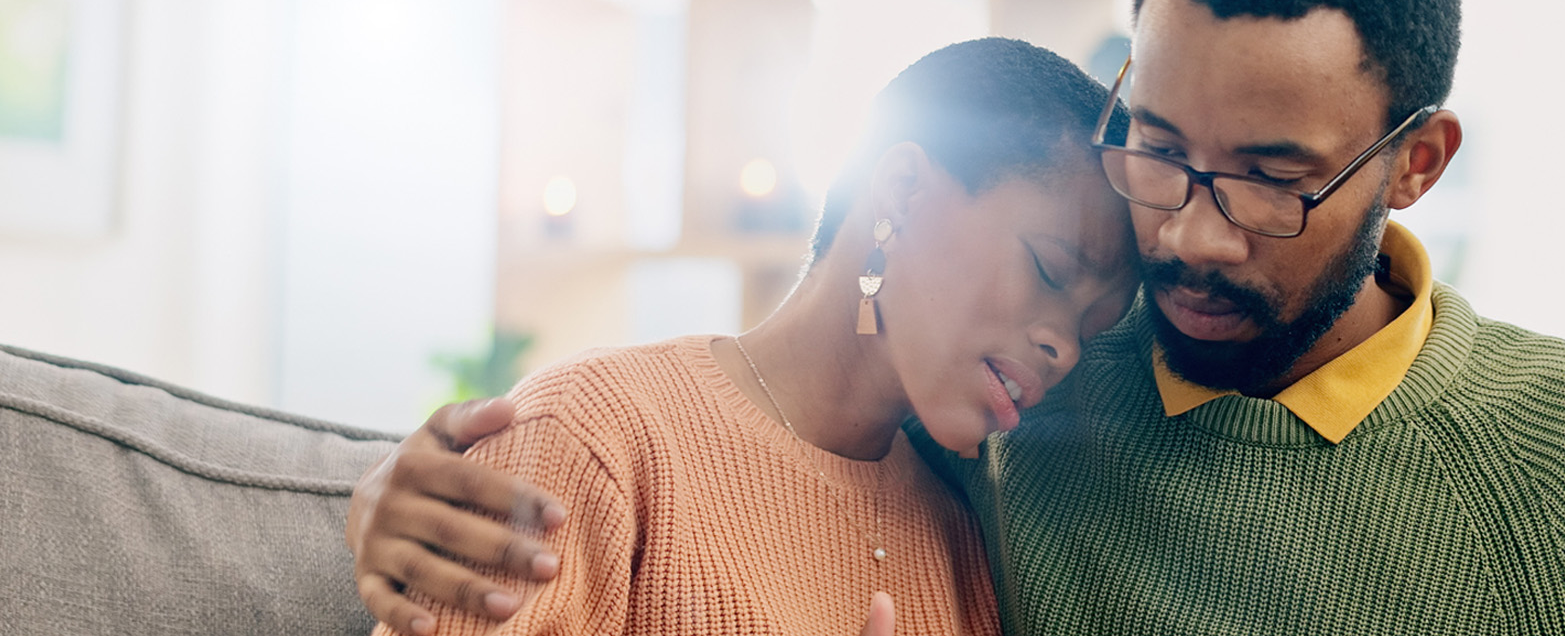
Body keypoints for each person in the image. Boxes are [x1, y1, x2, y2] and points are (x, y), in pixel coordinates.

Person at [349, 0, 1565, 634]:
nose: (1188, 233)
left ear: (1415, 164)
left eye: (1272, 181)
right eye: (1157, 149)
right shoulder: (1038, 412)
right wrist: (385, 508)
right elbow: (740, 444)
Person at [348, 37, 1137, 636]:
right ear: (900, 191)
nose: (1064, 346)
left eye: (1091, 326)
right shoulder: (595, 435)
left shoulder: (964, 533)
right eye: (1050, 269)